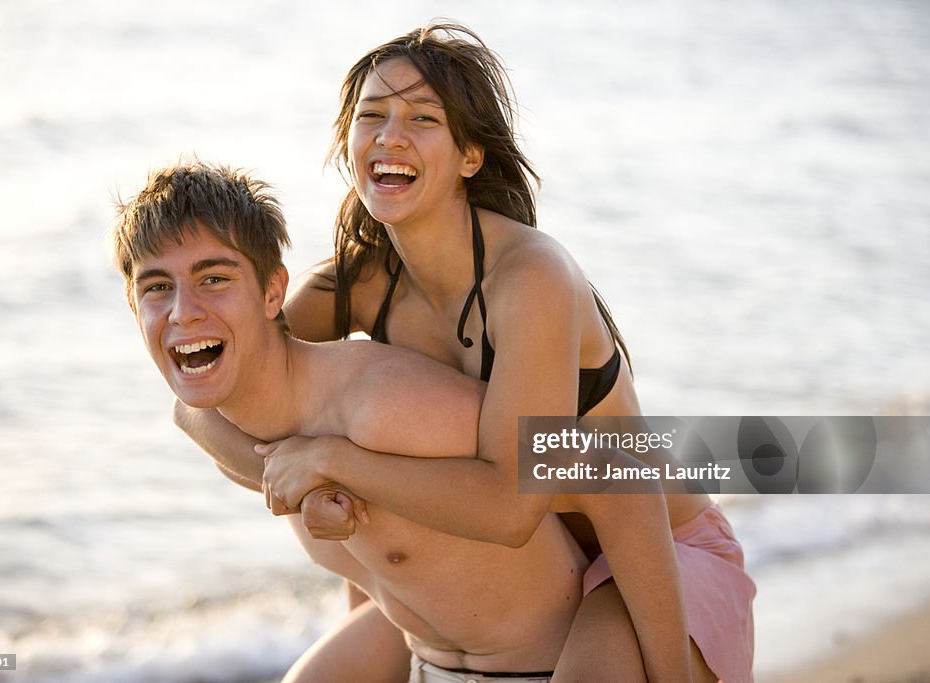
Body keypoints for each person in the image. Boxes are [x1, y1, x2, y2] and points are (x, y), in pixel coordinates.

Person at [175, 23, 755, 683]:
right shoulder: (356, 283)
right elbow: (217, 391)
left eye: (422, 118)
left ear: (470, 155)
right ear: (349, 143)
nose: (390, 136)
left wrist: (330, 462)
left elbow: (511, 506)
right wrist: (304, 481)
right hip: (531, 573)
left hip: (653, 556)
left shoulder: (530, 277)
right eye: (372, 116)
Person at [115, 160, 684, 682]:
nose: (183, 311)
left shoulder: (382, 404)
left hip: (552, 660)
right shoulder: (267, 437)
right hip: (428, 660)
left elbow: (622, 481)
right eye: (157, 287)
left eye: (214, 278)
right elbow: (190, 414)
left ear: (273, 292)